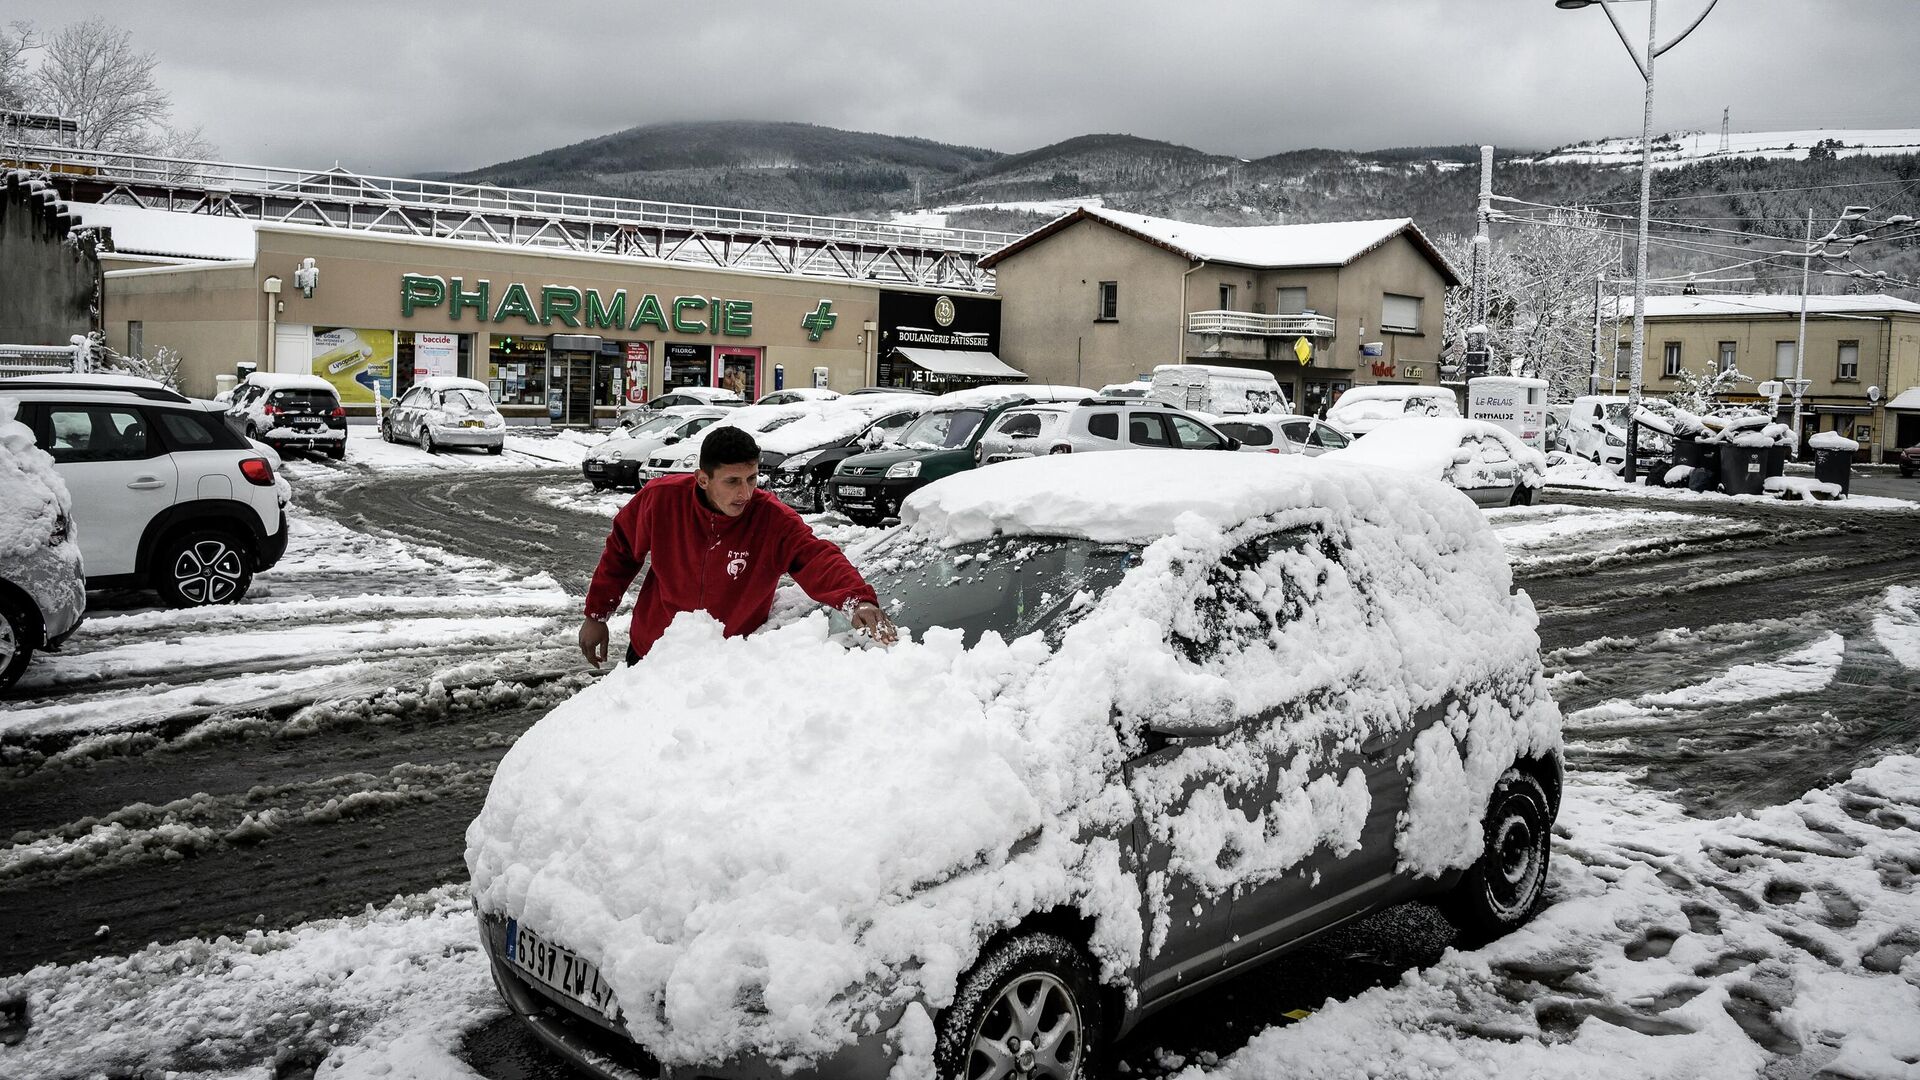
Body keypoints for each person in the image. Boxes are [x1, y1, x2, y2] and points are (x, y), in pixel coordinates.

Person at [578, 425, 897, 666]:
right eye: (732, 481)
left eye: (752, 479)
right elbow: (620, 552)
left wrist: (857, 600)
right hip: (654, 653)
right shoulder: (661, 500)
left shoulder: (770, 518)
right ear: (703, 479)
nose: (745, 493)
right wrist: (596, 615)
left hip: (726, 665)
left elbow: (816, 558)